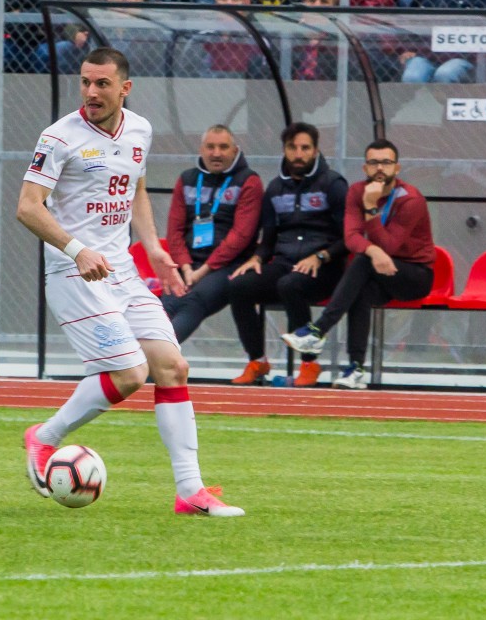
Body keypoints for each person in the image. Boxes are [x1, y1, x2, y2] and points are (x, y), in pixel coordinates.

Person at [18, 46, 245, 518]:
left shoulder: (139, 129)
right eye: (85, 82)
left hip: (121, 269)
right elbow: (28, 207)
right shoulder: (59, 137)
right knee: (129, 374)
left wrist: (156, 248)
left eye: (102, 84)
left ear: (125, 87)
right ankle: (44, 438)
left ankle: (190, 492)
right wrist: (77, 250)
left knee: (172, 368)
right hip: (74, 272)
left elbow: (135, 188)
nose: (91, 92)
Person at [283, 139, 435, 390]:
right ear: (365, 168)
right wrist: (373, 250)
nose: (380, 168)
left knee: (363, 262)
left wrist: (370, 207)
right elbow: (351, 237)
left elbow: (390, 246)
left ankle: (318, 330)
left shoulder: (411, 200)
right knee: (360, 288)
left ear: (397, 168)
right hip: (378, 270)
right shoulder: (356, 191)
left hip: (414, 275)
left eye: (386, 162)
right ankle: (355, 368)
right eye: (374, 162)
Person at [226, 122, 347, 386]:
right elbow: (268, 239)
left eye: (305, 148)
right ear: (285, 150)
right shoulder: (274, 188)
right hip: (285, 264)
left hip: (325, 269)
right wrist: (257, 258)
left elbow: (348, 238)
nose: (298, 154)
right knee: (238, 286)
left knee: (291, 285)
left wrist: (321, 256)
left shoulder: (333, 184)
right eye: (293, 147)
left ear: (315, 151)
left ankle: (309, 365)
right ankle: (257, 361)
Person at [162, 125, 264, 343]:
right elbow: (174, 231)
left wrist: (203, 271)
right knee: (166, 303)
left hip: (229, 266)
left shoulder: (249, 181)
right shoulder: (187, 179)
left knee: (193, 300)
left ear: (235, 150)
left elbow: (241, 236)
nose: (216, 153)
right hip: (189, 264)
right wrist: (186, 267)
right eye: (210, 147)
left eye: (223, 147)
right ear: (201, 150)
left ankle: (157, 357)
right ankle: (137, 362)